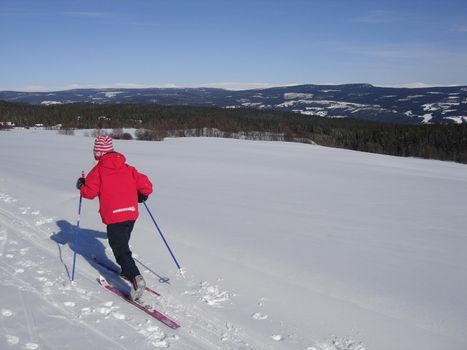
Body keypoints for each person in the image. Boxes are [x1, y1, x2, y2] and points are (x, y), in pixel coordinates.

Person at [76, 135, 153, 300]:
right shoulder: (128, 168)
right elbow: (146, 185)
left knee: (120, 251)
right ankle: (127, 270)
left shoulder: (98, 171)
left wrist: (81, 185)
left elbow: (89, 192)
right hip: (131, 214)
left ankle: (135, 278)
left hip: (114, 217)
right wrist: (142, 195)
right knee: (123, 244)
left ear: (97, 153)